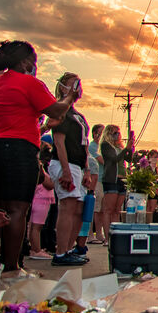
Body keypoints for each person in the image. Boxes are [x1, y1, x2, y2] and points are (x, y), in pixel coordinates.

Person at [0, 42, 80, 280]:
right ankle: (12, 268)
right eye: (33, 62)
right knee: (17, 209)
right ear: (25, 63)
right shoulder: (31, 83)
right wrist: (68, 97)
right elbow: (56, 110)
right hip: (19, 147)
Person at [47, 72, 91, 267]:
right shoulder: (60, 111)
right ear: (64, 87)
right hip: (66, 163)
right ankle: (60, 251)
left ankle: (70, 248)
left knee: (78, 208)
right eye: (74, 84)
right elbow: (59, 141)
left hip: (79, 165)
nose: (78, 87)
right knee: (68, 205)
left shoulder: (77, 115)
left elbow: (85, 143)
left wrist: (87, 169)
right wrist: (65, 170)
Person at [99, 124, 134, 240]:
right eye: (114, 133)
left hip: (122, 179)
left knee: (117, 210)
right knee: (108, 209)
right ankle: (107, 237)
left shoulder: (119, 146)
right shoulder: (106, 145)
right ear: (108, 134)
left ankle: (115, 236)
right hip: (111, 179)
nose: (117, 135)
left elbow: (128, 159)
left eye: (118, 133)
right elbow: (114, 159)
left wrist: (130, 149)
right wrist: (126, 149)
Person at [27, 159, 54, 260]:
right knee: (37, 227)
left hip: (37, 199)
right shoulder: (40, 169)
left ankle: (34, 248)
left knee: (32, 226)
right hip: (41, 200)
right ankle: (36, 250)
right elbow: (50, 184)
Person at [88, 124, 107, 244]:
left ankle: (99, 233)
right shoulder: (93, 147)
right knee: (94, 208)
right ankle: (90, 235)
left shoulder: (101, 147)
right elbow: (103, 161)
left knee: (101, 209)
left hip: (103, 179)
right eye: (101, 133)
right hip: (96, 180)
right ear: (95, 133)